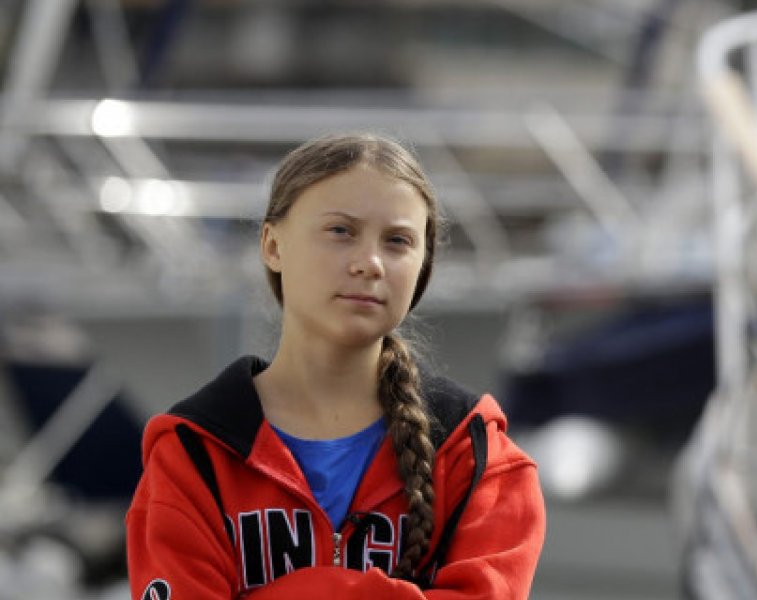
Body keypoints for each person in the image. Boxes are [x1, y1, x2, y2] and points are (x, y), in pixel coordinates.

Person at [125, 133, 546, 599]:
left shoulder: (476, 454)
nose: (370, 263)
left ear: (423, 265)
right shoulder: (194, 454)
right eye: (341, 231)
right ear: (272, 245)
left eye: (398, 241)